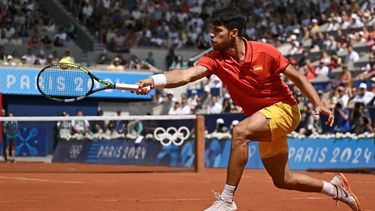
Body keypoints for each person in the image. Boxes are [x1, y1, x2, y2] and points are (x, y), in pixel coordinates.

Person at [135, 7, 361, 211]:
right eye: (211, 30)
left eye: (217, 31)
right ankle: (336, 189)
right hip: (262, 118)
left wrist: (319, 103)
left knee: (240, 132)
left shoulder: (266, 52)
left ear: (234, 32)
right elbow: (185, 75)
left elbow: (298, 77)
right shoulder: (215, 59)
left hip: (284, 110)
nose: (211, 35)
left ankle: (226, 200)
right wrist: (155, 81)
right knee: (283, 180)